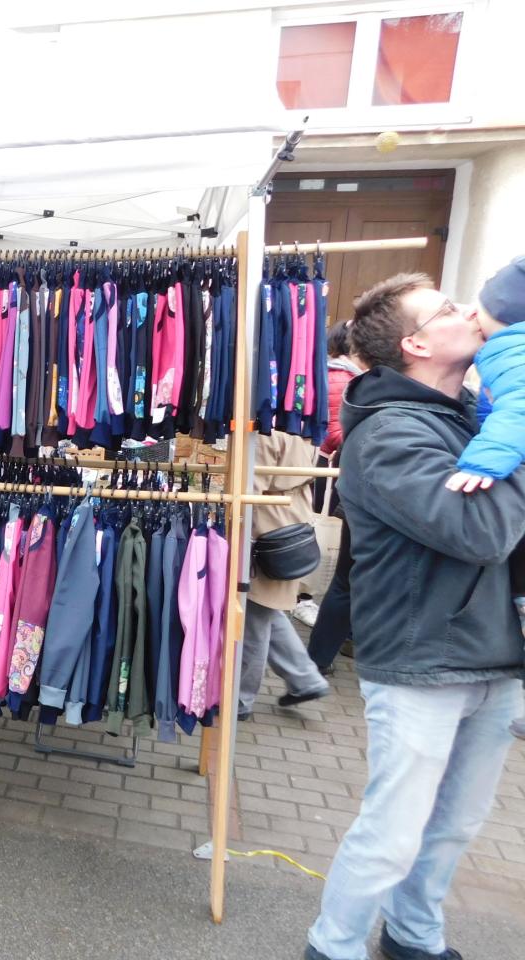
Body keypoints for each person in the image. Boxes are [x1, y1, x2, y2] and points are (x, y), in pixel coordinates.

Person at [305, 274, 525, 960]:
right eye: (448, 309)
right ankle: (334, 946)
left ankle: (414, 936)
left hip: (494, 652)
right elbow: (482, 530)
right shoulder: (389, 433)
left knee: (455, 826)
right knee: (393, 833)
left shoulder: (475, 416)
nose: (470, 310)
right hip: (420, 657)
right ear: (417, 344)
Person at [441, 256, 525, 738]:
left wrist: (482, 462)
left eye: (480, 308)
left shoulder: (512, 349)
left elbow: (520, 408)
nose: (471, 315)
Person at [238, 432, 329, 721]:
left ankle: (240, 699)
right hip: (292, 520)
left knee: (254, 622)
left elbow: (249, 490)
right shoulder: (304, 427)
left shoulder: (268, 433)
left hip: (267, 531)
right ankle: (305, 679)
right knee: (265, 610)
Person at [306, 326, 369, 674]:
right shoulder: (342, 378)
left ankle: (341, 642)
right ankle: (319, 656)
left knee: (351, 574)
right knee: (348, 575)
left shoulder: (355, 378)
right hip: (350, 477)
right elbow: (333, 432)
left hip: (355, 477)